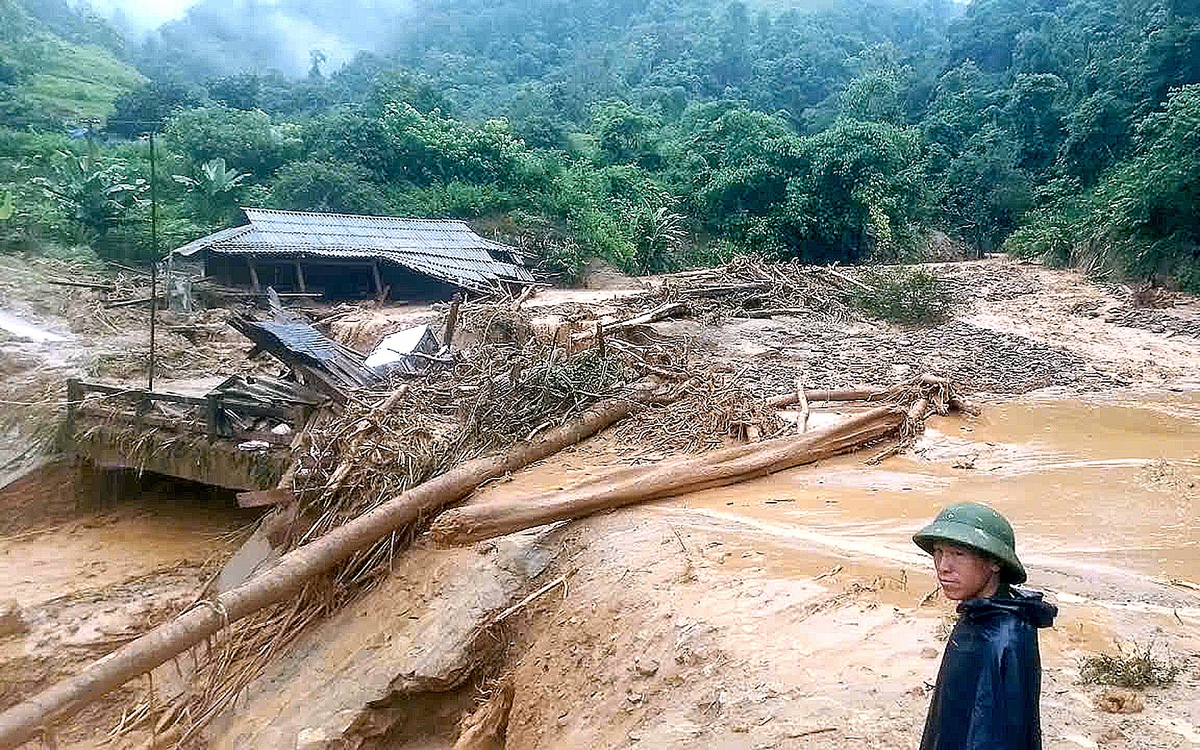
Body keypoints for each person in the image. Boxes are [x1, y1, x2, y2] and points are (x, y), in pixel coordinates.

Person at [913, 502, 1057, 750]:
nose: (943, 566)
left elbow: (998, 734)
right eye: (938, 552)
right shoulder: (978, 614)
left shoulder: (1004, 637)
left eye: (958, 554)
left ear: (995, 562)